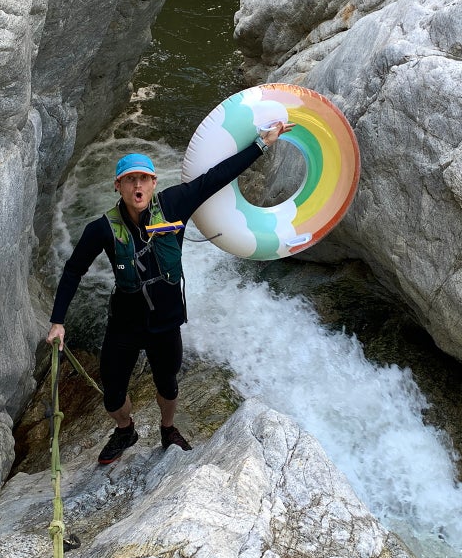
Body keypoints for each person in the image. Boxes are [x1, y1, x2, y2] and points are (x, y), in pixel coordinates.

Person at [48, 121, 295, 465]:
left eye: (144, 178)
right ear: (118, 185)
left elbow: (216, 177)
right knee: (113, 393)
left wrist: (261, 144)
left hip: (166, 321)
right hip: (125, 324)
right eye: (130, 179)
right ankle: (125, 430)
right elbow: (74, 270)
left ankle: (167, 428)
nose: (138, 185)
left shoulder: (174, 204)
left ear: (153, 183)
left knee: (168, 384)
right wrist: (58, 320)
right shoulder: (101, 229)